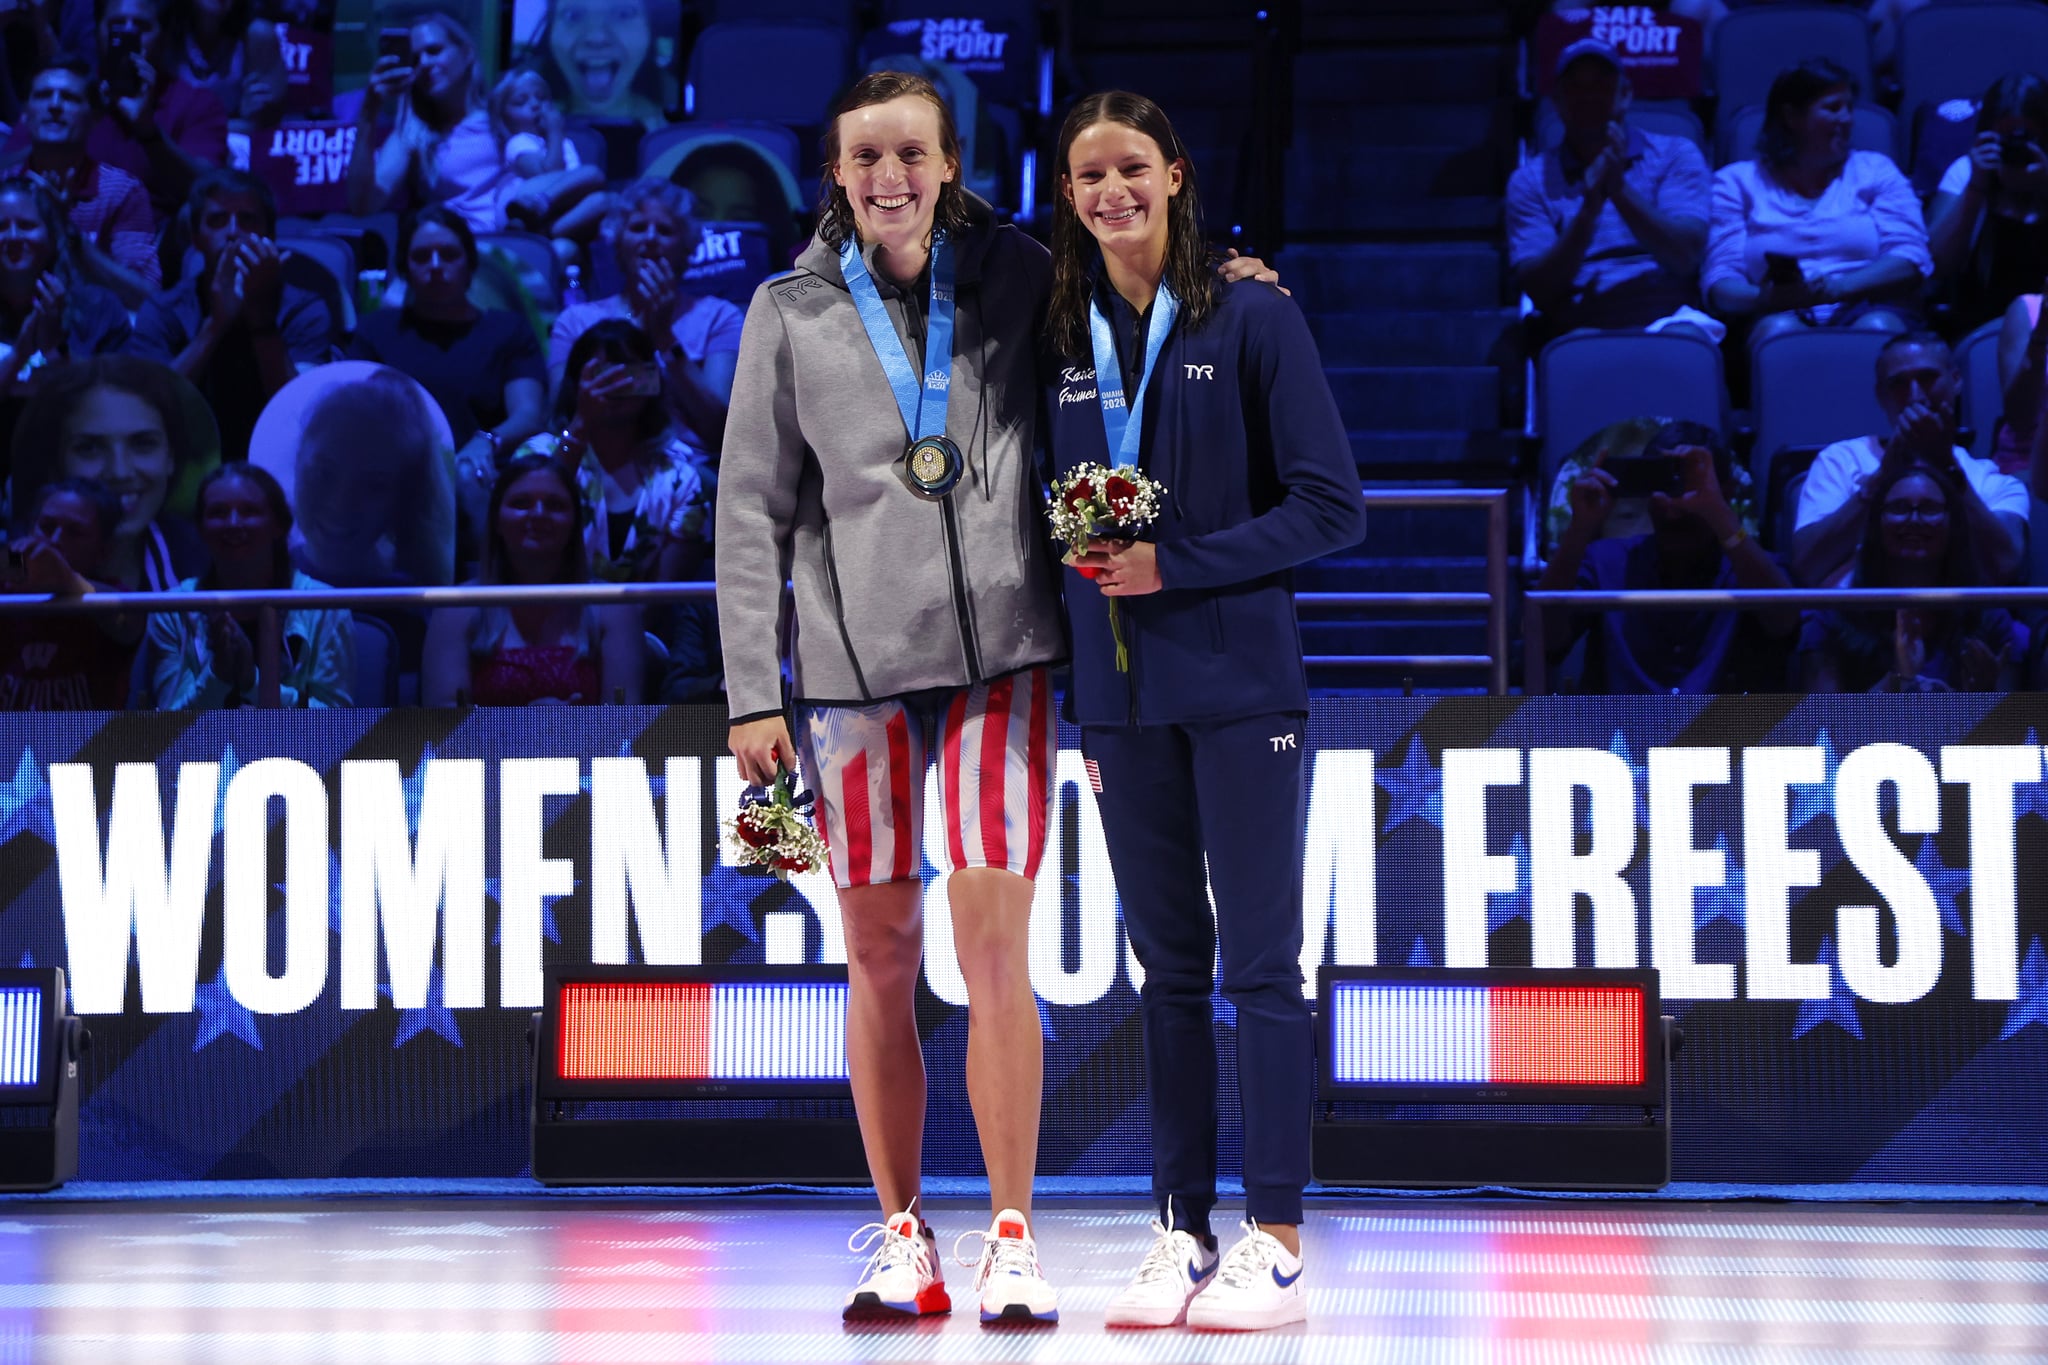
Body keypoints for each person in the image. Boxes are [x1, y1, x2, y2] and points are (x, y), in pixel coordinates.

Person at [718, 70, 1278, 1326]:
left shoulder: (1025, 276)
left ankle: (1012, 1235)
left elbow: (1141, 310)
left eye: (910, 154)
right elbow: (748, 512)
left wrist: (1225, 281)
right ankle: (903, 1234)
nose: (888, 179)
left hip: (1003, 667)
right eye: (864, 157)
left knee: (988, 957)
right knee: (875, 959)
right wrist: (753, 692)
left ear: (950, 162)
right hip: (850, 684)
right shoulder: (789, 310)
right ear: (834, 172)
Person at [1042, 89, 1365, 1334]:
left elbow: (1332, 507)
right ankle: (1178, 1230)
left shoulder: (1251, 316)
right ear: (1065, 196)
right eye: (1086, 175)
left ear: (1175, 174)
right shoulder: (1059, 334)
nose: (1110, 190)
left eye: (1131, 167)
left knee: (1261, 967)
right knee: (1166, 973)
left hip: (1237, 685)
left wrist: (1176, 565)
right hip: (1116, 700)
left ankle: (1275, 1237)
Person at [1536, 420, 1797, 692]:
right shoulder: (1607, 561)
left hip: (1723, 729)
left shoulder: (1755, 568)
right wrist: (1582, 526)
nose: (1674, 507)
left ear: (1727, 492)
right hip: (1624, 728)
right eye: (1663, 484)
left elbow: (1783, 624)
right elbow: (1544, 640)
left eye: (1689, 487)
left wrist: (1719, 514)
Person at [347, 205, 547, 536]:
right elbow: (356, 415)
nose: (436, 266)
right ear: (405, 270)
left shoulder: (507, 330)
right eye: (422, 257)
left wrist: (487, 440)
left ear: (470, 266)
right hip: (396, 475)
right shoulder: (375, 332)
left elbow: (528, 414)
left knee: (469, 479)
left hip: (479, 472)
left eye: (449, 255)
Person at [1704, 58, 1930, 348]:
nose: (1847, 118)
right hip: (1772, 310)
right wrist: (1772, 298)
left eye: (1849, 108)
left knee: (1876, 327)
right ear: (1791, 116)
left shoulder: (1875, 170)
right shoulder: (1736, 182)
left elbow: (1910, 259)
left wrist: (1838, 288)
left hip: (1869, 303)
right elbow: (1721, 284)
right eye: (1833, 108)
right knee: (1779, 332)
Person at [1507, 39, 1715, 340]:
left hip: (1671, 318)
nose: (1588, 96)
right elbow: (1540, 291)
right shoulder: (1529, 181)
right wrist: (1589, 211)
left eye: (1601, 83)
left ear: (1625, 94)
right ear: (1557, 100)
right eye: (1575, 86)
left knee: (1686, 339)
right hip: (1579, 328)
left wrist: (1618, 190)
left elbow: (1686, 257)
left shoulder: (1675, 154)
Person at [128, 168, 333, 462]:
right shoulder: (164, 310)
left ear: (269, 234)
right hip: (186, 461)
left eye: (248, 219)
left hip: (280, 458)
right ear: (196, 238)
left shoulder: (304, 308)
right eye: (217, 220)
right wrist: (215, 325)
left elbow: (300, 413)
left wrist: (262, 320)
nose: (234, 231)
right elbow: (146, 408)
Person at [1793, 332, 2028, 587]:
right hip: (1852, 621)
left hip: (1959, 623)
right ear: (1881, 396)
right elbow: (1806, 567)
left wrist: (1948, 468)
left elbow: (2006, 567)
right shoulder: (1839, 462)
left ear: (1956, 381)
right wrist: (1882, 478)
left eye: (1928, 378)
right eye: (1898, 383)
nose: (1915, 396)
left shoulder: (1993, 481)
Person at [423, 453, 640, 705]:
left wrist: (572, 731)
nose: (538, 514)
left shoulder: (613, 607)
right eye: (521, 503)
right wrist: (527, 727)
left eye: (555, 505)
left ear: (574, 523)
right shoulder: (455, 609)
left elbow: (626, 724)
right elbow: (443, 727)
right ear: (496, 522)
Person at [548, 179, 739, 463]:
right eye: (637, 228)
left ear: (687, 247)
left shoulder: (720, 317)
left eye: (665, 230)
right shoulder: (576, 321)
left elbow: (721, 430)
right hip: (594, 461)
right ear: (618, 243)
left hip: (688, 467)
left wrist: (665, 339)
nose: (650, 238)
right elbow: (558, 416)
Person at [1800, 460, 2024, 692]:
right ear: (1876, 523)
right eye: (1899, 508)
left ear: (1952, 523)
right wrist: (1899, 677)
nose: (1914, 520)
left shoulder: (1989, 618)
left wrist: (1982, 694)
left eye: (1929, 509)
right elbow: (1824, 726)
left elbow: (2012, 727)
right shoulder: (1833, 618)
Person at [0, 0, 230, 225]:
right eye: (116, 24)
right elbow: (6, 168)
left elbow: (209, 192)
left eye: (141, 26)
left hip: (149, 235)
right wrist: (51, 137)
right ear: (99, 31)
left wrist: (148, 131)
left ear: (164, 37)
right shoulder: (63, 95)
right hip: (53, 228)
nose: (128, 32)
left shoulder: (197, 103)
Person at [146, 460, 353, 708]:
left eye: (249, 511)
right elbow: (169, 730)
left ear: (280, 526)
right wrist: (217, 676)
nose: (233, 523)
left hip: (290, 748)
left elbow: (337, 727)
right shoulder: (172, 610)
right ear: (201, 529)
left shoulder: (324, 606)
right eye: (218, 513)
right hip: (202, 748)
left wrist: (252, 682)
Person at [519, 317, 709, 583]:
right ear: (576, 383)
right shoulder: (535, 456)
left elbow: (665, 594)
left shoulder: (678, 477)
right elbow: (529, 522)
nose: (617, 386)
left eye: (630, 373)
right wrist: (581, 423)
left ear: (653, 380)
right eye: (603, 375)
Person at [10, 353, 205, 591]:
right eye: (89, 447)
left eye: (143, 443)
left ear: (171, 456)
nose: (120, 472)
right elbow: (8, 587)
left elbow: (127, 620)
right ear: (56, 460)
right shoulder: (15, 548)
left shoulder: (201, 554)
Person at [0, 59, 159, 305]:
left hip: (90, 332)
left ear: (94, 118)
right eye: (43, 96)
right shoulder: (3, 186)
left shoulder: (122, 192)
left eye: (69, 98)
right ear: (25, 115)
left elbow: (146, 297)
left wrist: (68, 233)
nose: (54, 105)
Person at [290, 364, 455, 589]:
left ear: (404, 498)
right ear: (298, 460)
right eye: (324, 473)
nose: (340, 504)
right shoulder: (265, 580)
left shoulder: (414, 602)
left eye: (374, 486)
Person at [345, 11, 503, 233]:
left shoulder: (503, 117)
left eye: (434, 51)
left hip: (509, 247)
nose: (425, 63)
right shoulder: (413, 131)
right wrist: (368, 115)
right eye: (415, 58)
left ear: (466, 53)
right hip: (449, 252)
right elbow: (364, 204)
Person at [0, 175, 131, 426]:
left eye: (27, 225)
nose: (13, 236)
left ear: (51, 236)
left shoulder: (99, 309)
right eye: (1, 227)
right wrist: (20, 353)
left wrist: (55, 349)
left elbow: (118, 403)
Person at [0, 477, 139, 708]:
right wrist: (10, 564)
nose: (54, 540)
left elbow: (128, 621)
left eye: (74, 532)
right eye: (46, 526)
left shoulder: (115, 596)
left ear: (104, 550)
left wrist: (66, 578)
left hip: (85, 741)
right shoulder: (6, 587)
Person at [1927, 73, 2048, 336]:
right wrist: (1976, 188)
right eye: (2005, 137)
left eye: (2027, 136)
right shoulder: (1965, 172)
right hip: (1980, 328)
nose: (2016, 146)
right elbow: (1936, 265)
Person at [487, 68, 605, 256]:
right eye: (520, 102)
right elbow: (551, 173)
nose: (535, 105)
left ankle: (545, 235)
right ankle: (538, 207)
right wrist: (555, 132)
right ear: (504, 117)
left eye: (542, 98)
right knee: (593, 172)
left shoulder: (564, 143)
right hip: (525, 201)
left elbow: (573, 181)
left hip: (552, 215)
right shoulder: (519, 142)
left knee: (602, 201)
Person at [531, 0, 665, 128]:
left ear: (649, 30)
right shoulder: (527, 124)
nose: (597, 38)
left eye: (624, 14)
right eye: (573, 15)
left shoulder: (673, 133)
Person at [163, 0, 284, 125]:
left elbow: (264, 127)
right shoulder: (161, 31)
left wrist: (252, 118)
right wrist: (236, 122)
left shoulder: (258, 37)